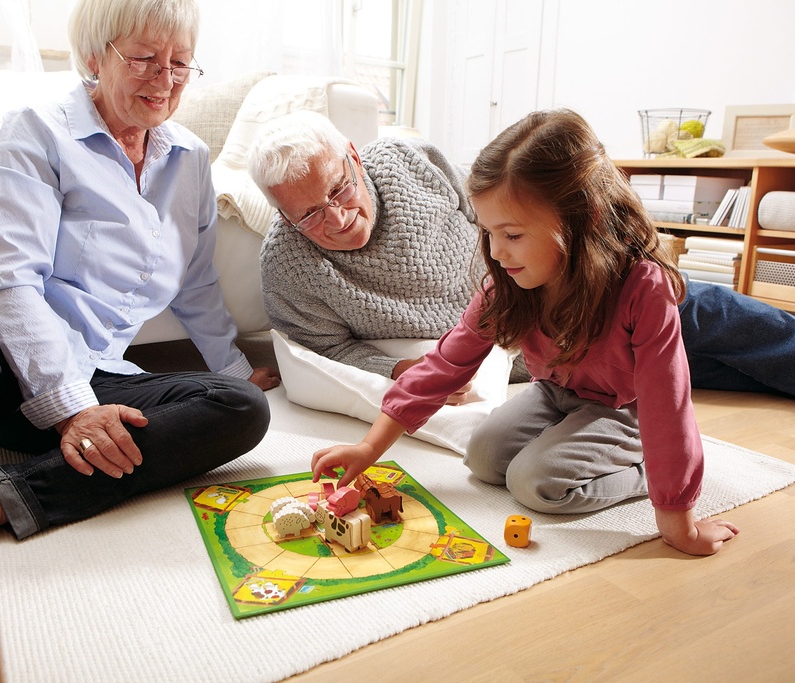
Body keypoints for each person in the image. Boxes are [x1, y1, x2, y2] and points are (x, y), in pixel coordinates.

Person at [311, 109, 741, 556]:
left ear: (582, 219)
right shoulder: (511, 284)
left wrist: (679, 521)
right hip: (553, 392)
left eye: (512, 234)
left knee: (535, 484)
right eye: (489, 233)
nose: (496, 252)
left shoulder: (643, 287)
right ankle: (580, 445)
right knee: (481, 457)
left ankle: (648, 472)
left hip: (625, 408)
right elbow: (446, 364)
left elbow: (666, 404)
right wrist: (368, 448)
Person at [248, 110, 795, 405]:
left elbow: (504, 205)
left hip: (547, 286)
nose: (335, 218)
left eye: (338, 190)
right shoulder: (288, 268)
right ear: (281, 214)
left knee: (698, 309)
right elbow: (323, 350)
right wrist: (396, 373)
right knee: (669, 370)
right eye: (307, 215)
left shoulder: (410, 160)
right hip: (502, 344)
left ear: (354, 156)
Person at [0, 0, 279, 540]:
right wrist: (73, 410)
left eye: (180, 63)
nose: (164, 79)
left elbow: (195, 281)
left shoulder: (190, 158)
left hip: (88, 363)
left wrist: (236, 369)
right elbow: (8, 279)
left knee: (241, 409)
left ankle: (5, 498)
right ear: (93, 58)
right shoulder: (36, 131)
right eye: (145, 57)